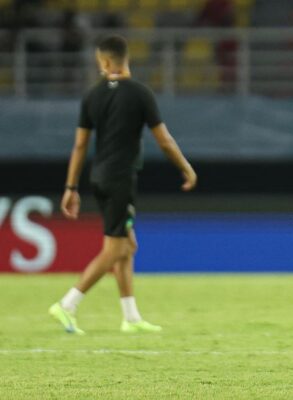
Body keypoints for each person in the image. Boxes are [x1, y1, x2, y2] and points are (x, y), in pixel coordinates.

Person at [49, 35, 197, 335]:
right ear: (124, 59)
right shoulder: (140, 93)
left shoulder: (92, 96)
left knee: (128, 246)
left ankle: (130, 317)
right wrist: (186, 168)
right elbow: (164, 140)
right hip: (121, 179)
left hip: (98, 177)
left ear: (104, 62)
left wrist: (71, 187)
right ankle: (67, 304)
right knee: (115, 248)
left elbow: (79, 146)